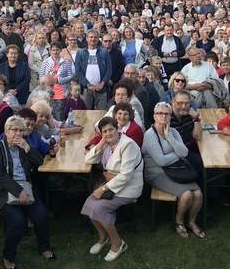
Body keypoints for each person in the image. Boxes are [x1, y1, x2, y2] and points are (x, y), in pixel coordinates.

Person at [0, 116, 55, 269]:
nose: (17, 133)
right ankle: (8, 256)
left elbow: (39, 162)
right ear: (6, 131)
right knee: (18, 222)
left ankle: (44, 248)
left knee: (41, 214)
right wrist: (18, 191)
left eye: (21, 130)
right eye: (14, 130)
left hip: (25, 187)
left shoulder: (24, 146)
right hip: (2, 191)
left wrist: (28, 148)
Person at [83, 116, 144, 261]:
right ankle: (104, 237)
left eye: (111, 129)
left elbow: (125, 176)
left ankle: (118, 243)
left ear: (118, 129)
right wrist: (102, 142)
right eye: (104, 131)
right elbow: (89, 159)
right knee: (88, 204)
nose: (108, 133)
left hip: (128, 186)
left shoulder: (127, 145)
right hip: (111, 183)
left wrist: (102, 190)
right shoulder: (107, 143)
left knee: (99, 208)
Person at [143, 102, 204, 240]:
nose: (163, 116)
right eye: (160, 113)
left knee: (198, 194)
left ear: (170, 116)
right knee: (187, 195)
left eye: (167, 114)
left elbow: (185, 151)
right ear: (154, 116)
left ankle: (192, 221)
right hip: (156, 173)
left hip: (176, 170)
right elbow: (161, 161)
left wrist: (169, 136)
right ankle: (179, 221)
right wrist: (178, 154)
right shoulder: (150, 135)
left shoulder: (173, 132)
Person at [74, 30, 112, 111]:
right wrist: (87, 85)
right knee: (85, 113)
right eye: (91, 37)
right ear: (87, 38)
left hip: (101, 88)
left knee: (101, 113)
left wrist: (102, 83)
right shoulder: (80, 53)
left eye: (95, 37)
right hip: (86, 89)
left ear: (98, 39)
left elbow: (109, 69)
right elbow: (78, 70)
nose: (93, 39)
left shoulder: (104, 52)